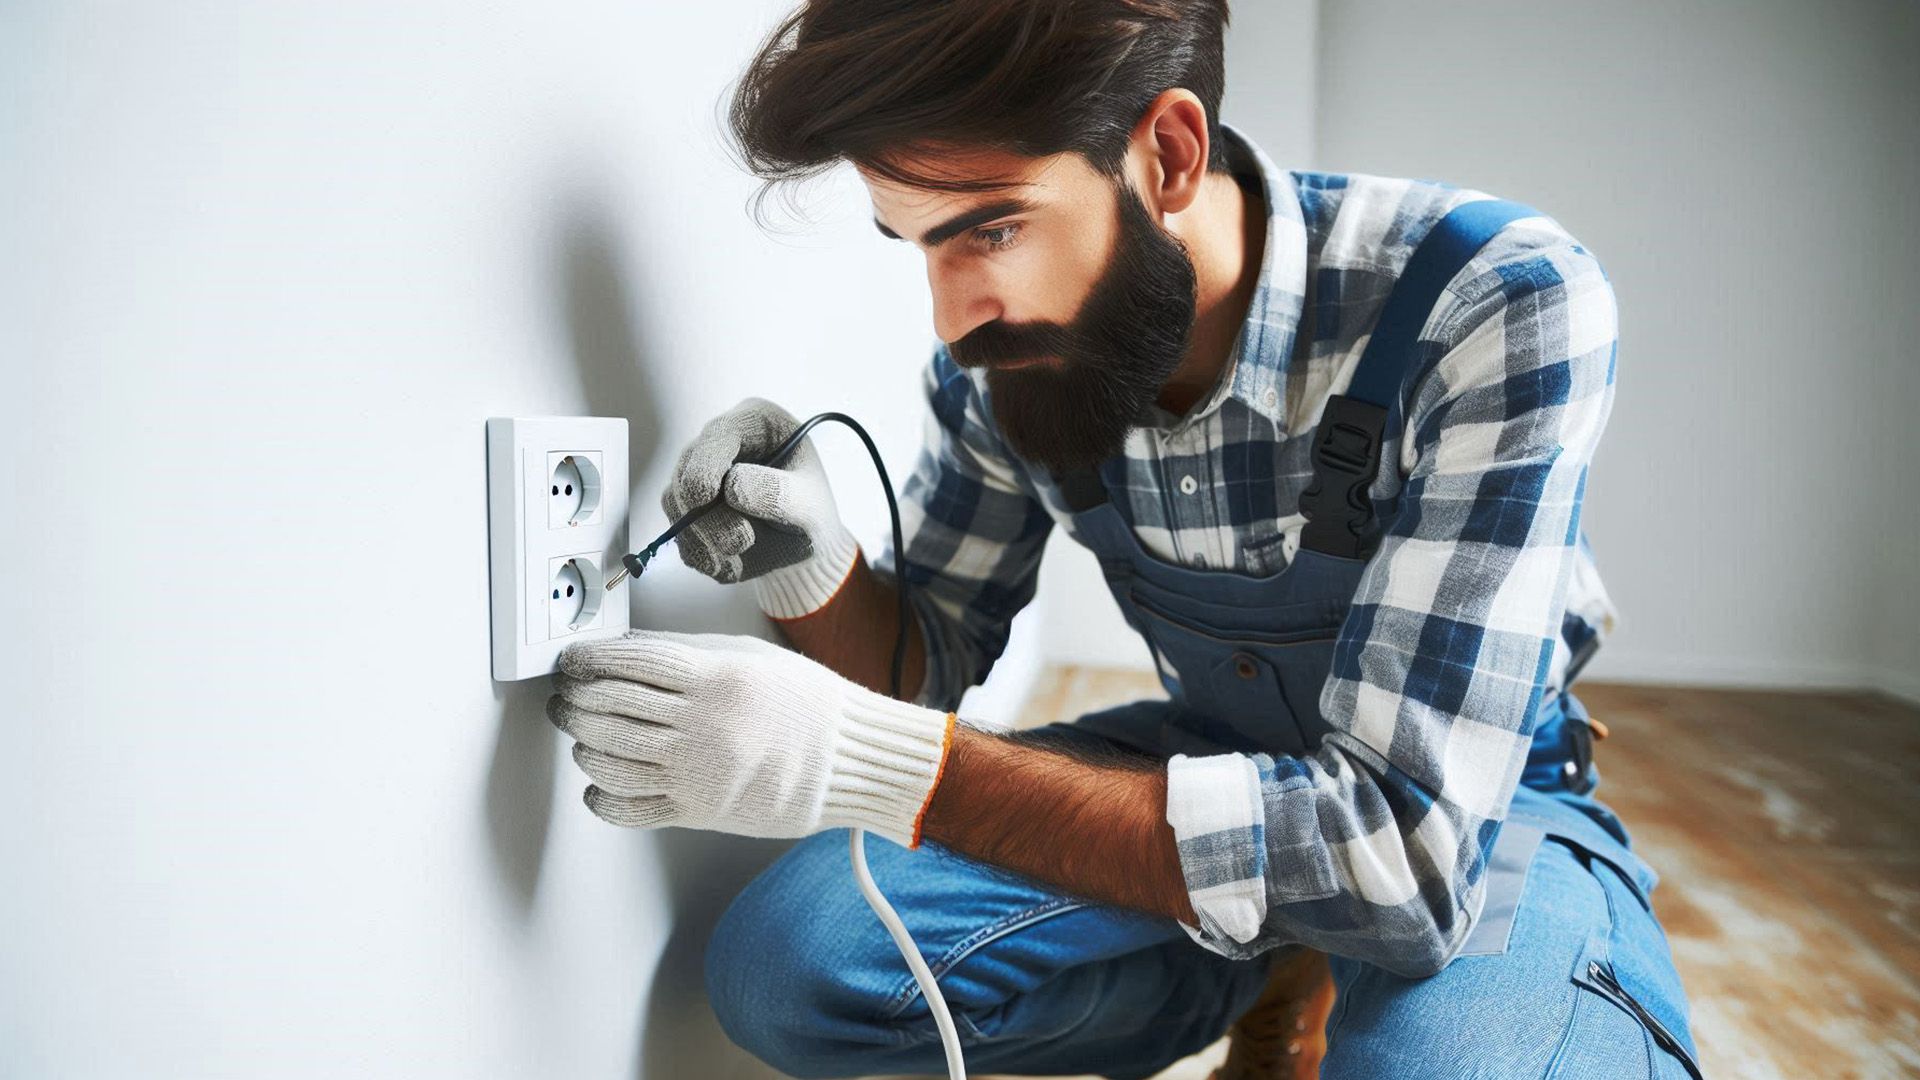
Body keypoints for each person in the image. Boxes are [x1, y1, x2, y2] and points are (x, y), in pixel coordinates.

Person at [544, 1, 1701, 1076]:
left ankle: (1333, 966)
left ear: (1168, 154)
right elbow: (925, 663)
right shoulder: (1008, 363)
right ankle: (1269, 957)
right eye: (918, 246)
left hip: (1465, 814)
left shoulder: (1491, 299)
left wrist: (867, 764)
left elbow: (1401, 859)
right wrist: (811, 564)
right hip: (1203, 761)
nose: (954, 320)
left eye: (989, 229)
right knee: (789, 967)